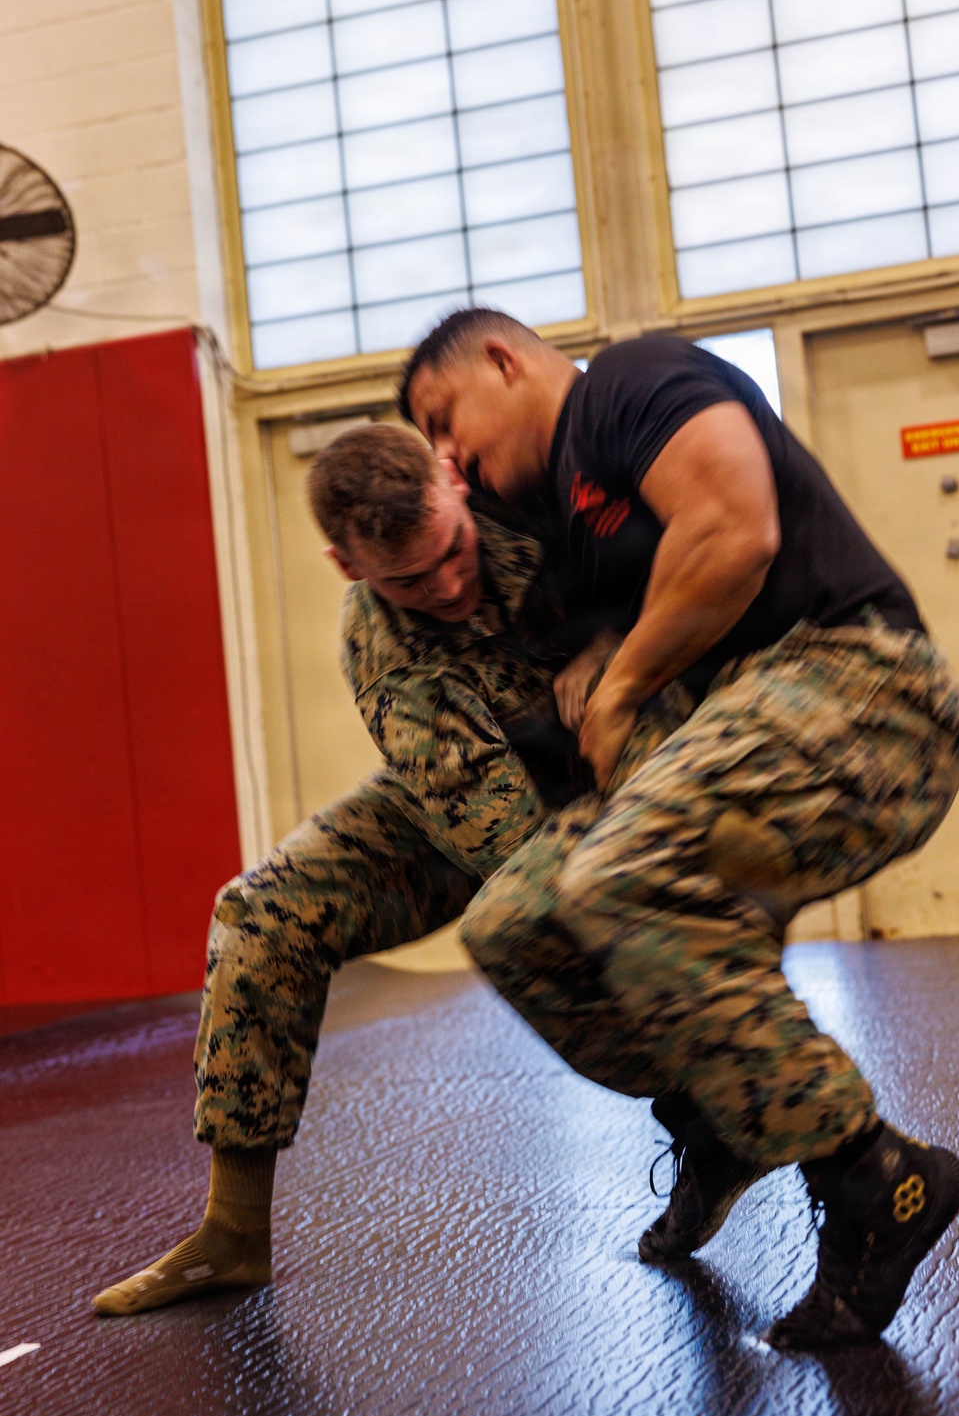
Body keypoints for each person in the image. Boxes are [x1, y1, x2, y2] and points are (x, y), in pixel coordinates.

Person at [399, 308, 959, 1350]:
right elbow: (602, 647)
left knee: (617, 870)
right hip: (748, 723)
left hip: (864, 686)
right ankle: (716, 1112)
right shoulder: (563, 527)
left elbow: (734, 527)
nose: (445, 453)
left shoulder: (625, 383)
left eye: (443, 418)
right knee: (516, 920)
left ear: (502, 358)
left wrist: (618, 683)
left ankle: (876, 1177)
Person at [92, 422, 675, 1317]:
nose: (444, 586)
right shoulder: (380, 643)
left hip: (636, 756)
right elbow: (498, 834)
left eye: (450, 551)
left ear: (451, 481)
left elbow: (691, 575)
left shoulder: (536, 499)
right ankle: (233, 1231)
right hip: (491, 799)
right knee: (263, 913)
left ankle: (717, 1120)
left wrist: (618, 662)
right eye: (408, 579)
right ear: (345, 564)